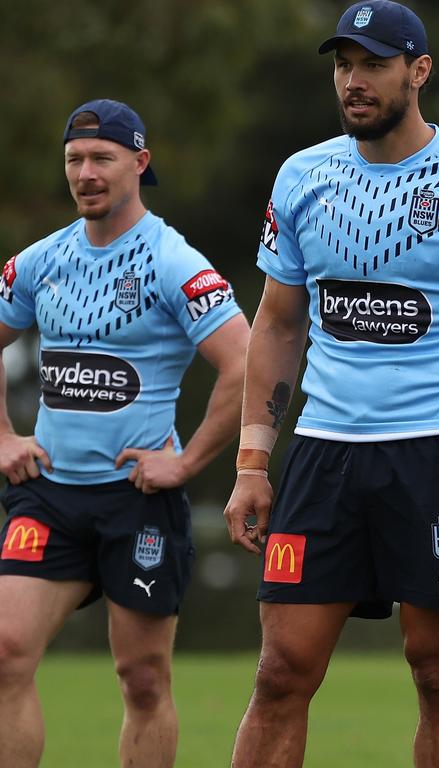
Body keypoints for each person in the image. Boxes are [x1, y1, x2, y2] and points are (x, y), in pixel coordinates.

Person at [222, 2, 439, 766]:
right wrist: (251, 463)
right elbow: (276, 325)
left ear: (419, 71)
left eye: (373, 63)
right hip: (324, 454)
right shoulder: (302, 175)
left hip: (438, 452)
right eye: (343, 64)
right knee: (280, 673)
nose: (354, 81)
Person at [0, 99, 248, 768]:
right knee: (5, 651)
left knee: (142, 681)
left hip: (137, 500)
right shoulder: (41, 260)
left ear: (139, 163)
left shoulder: (173, 261)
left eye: (102, 158)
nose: (86, 173)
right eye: (74, 160)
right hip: (49, 496)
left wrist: (188, 461)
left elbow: (244, 362)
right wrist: (3, 436)